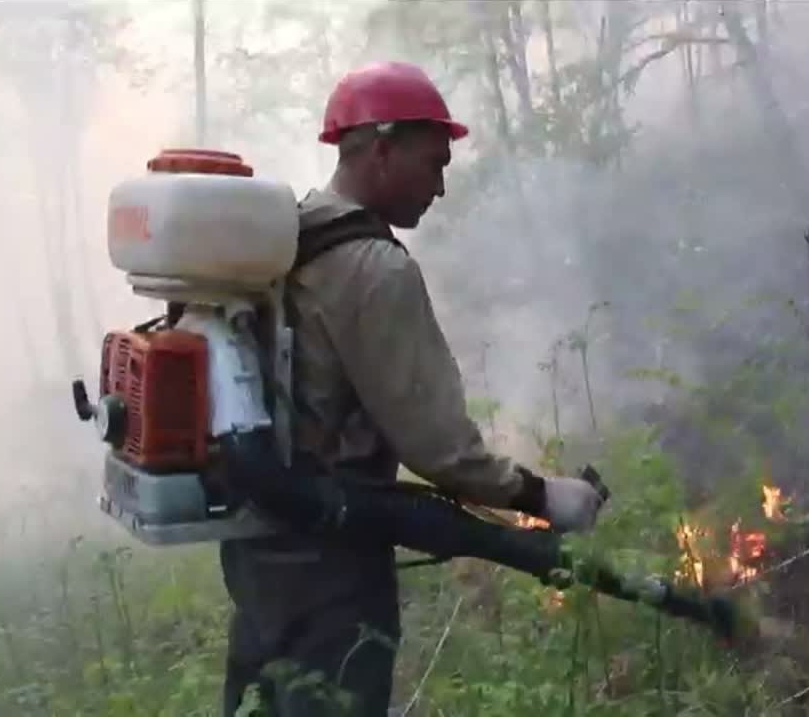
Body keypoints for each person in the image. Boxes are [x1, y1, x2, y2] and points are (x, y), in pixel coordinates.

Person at [220, 61, 607, 717]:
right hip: (331, 561)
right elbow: (440, 449)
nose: (442, 186)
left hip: (258, 547)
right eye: (433, 164)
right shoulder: (374, 268)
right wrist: (546, 497)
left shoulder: (284, 237)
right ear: (380, 150)